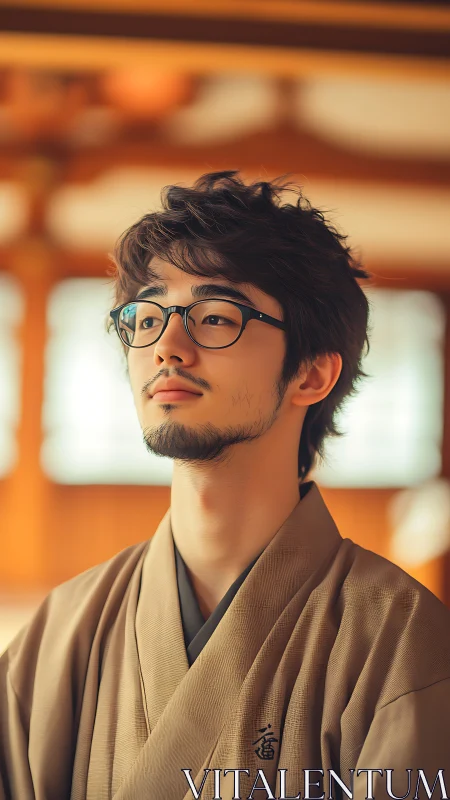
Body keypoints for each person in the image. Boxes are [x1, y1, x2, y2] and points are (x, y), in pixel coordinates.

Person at [1, 171, 450, 800]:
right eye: (147, 316)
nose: (168, 346)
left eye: (215, 317)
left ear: (312, 374)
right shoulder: (61, 634)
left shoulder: (402, 639)